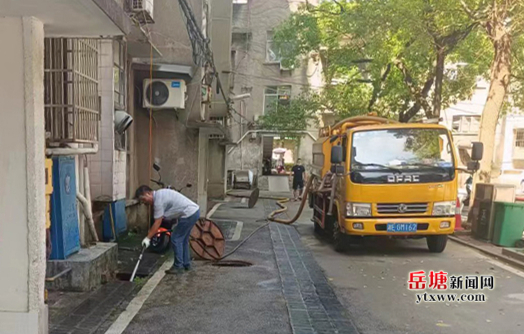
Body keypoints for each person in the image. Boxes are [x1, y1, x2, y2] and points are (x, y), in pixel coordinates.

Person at [135, 185, 200, 275]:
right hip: (194, 211)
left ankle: (178, 267)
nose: (144, 202)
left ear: (148, 193)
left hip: (189, 214)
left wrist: (148, 238)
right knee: (183, 240)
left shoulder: (158, 200)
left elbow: (157, 222)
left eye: (143, 199)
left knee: (176, 239)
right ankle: (186, 264)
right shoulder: (160, 194)